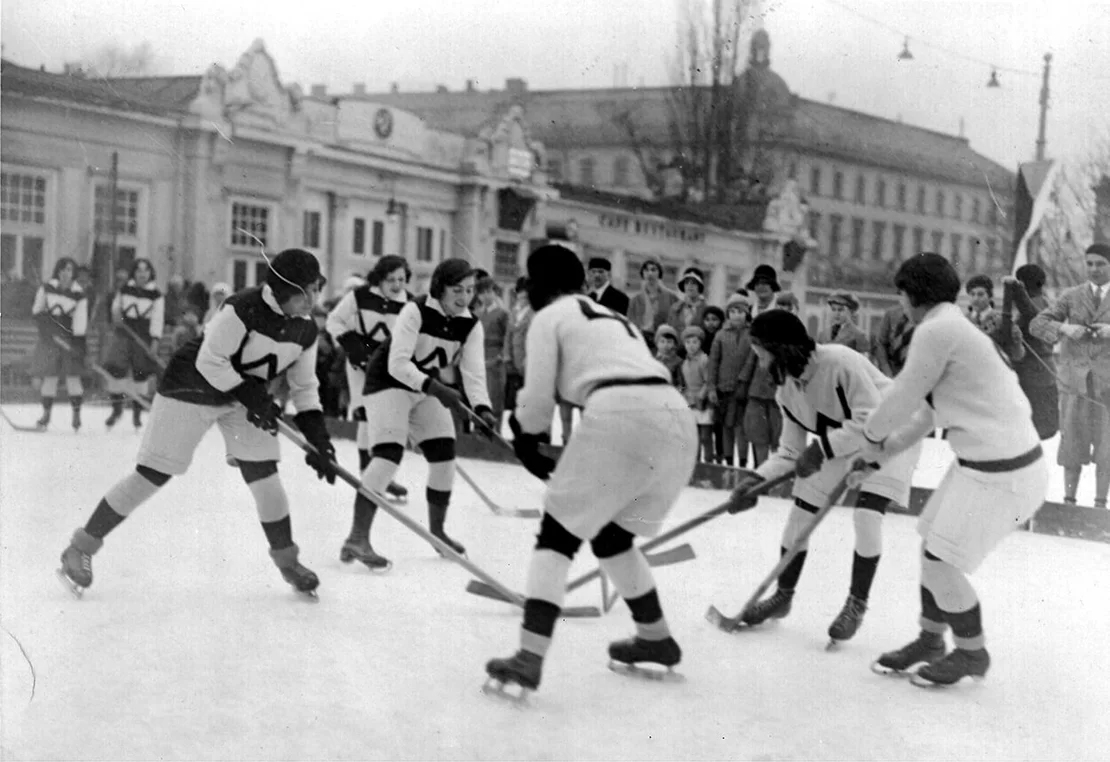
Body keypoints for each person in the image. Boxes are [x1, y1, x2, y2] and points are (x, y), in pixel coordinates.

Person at [56, 249, 338, 598]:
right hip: (192, 385)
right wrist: (254, 398)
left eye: (316, 289)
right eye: (304, 292)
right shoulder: (243, 308)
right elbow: (210, 361)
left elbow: (305, 388)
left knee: (265, 476)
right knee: (152, 475)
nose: (312, 300)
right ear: (282, 291)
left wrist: (320, 440)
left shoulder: (306, 330)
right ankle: (80, 548)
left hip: (243, 397)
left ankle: (288, 561)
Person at [485, 243, 698, 694]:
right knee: (613, 536)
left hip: (621, 412)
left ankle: (529, 655)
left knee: (557, 536)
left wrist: (526, 438)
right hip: (677, 420)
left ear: (541, 284)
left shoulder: (550, 316)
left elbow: (538, 396)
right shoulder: (617, 320)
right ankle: (655, 637)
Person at [860, 253, 1048, 686]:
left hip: (1004, 473)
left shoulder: (937, 330)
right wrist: (880, 451)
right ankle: (930, 640)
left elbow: (903, 395)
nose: (902, 305)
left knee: (941, 561)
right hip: (983, 465)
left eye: (903, 295)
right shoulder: (953, 328)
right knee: (930, 544)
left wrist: (870, 440)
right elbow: (925, 414)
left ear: (914, 295)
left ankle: (971, 653)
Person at [727, 309, 920, 645]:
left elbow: (871, 420)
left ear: (781, 348)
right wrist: (754, 481)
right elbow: (790, 451)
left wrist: (821, 450)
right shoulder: (786, 389)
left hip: (893, 434)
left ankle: (856, 604)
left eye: (761, 354)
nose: (759, 364)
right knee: (800, 514)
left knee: (866, 516)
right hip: (841, 441)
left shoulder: (840, 362)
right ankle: (782, 596)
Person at [355, 258, 497, 569]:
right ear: (439, 288)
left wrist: (483, 409)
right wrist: (436, 388)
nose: (464, 297)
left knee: (445, 456)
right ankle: (358, 537)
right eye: (457, 290)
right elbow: (398, 364)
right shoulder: (415, 310)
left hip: (425, 389)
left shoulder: (470, 324)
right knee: (387, 457)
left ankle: (438, 532)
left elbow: (473, 374)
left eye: (470, 290)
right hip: (387, 383)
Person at [325, 255, 412, 566]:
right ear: (380, 279)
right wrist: (353, 346)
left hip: (389, 366)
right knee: (366, 415)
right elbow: (333, 321)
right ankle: (370, 473)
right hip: (361, 364)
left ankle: (377, 474)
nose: (397, 285)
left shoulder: (409, 304)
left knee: (384, 420)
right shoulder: (360, 297)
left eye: (402, 280)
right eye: (392, 280)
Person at [1030, 243, 1110, 508]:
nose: (1094, 269)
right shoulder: (1072, 296)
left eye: (1101, 264)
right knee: (1072, 444)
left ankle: (1100, 505)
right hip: (1074, 384)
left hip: (1106, 387)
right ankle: (1068, 503)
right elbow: (1036, 324)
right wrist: (1065, 329)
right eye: (1090, 264)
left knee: (1106, 447)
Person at [101, 258, 165, 431]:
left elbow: (158, 319)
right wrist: (116, 315)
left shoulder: (156, 295)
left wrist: (155, 341)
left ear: (150, 273)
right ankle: (116, 410)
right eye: (138, 270)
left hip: (143, 337)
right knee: (115, 371)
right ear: (134, 273)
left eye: (146, 270)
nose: (142, 274)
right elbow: (116, 307)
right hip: (123, 335)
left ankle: (137, 415)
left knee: (140, 374)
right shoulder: (125, 289)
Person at [30, 257, 88, 431]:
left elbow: (80, 321)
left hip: (69, 338)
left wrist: (77, 345)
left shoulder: (79, 294)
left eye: (69, 270)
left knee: (73, 377)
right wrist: (46, 330)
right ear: (58, 271)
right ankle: (46, 415)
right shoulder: (47, 288)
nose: (65, 273)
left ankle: (76, 416)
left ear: (73, 273)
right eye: (62, 269)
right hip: (49, 338)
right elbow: (37, 311)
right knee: (50, 376)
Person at [1003, 265, 1058, 440]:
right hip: (1042, 371)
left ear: (1023, 284)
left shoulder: (1036, 305)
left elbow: (1030, 313)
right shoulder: (1047, 303)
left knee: (1034, 432)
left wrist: (1016, 290)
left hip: (1033, 372)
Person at [707, 293, 754, 466]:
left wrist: (743, 379)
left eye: (741, 312)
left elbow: (752, 358)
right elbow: (713, 362)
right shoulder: (720, 335)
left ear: (746, 313)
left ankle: (742, 461)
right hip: (723, 388)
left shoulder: (751, 334)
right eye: (733, 311)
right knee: (726, 426)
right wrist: (712, 387)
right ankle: (728, 461)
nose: (737, 315)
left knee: (741, 427)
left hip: (743, 389)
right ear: (728, 314)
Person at [965, 274, 1024, 365]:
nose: (975, 299)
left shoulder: (1001, 321)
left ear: (990, 296)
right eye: (972, 294)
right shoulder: (964, 320)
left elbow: (1017, 356)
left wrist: (1017, 343)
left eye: (980, 294)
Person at [475, 275, 511, 427]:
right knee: (480, 397)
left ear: (495, 292)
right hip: (480, 358)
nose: (486, 295)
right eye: (482, 293)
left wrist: (501, 356)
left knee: (495, 398)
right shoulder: (479, 315)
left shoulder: (503, 313)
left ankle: (496, 433)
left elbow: (507, 338)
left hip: (495, 360)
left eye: (489, 291)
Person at [677, 326, 714, 461]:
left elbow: (708, 380)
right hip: (690, 401)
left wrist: (702, 395)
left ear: (700, 343)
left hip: (703, 401)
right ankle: (696, 462)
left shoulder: (704, 360)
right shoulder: (684, 363)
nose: (691, 346)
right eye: (688, 342)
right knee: (694, 436)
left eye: (695, 342)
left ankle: (709, 461)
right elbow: (684, 383)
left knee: (705, 436)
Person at [627, 258, 679, 353]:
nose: (649, 273)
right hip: (641, 341)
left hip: (663, 342)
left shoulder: (671, 297)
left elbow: (676, 321)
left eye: (653, 269)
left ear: (659, 273)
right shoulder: (635, 300)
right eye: (646, 270)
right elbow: (630, 324)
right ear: (642, 273)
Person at [505, 276, 533, 416]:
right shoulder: (513, 311)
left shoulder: (534, 312)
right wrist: (507, 356)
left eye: (525, 295)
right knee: (514, 399)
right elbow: (508, 336)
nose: (522, 298)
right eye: (520, 294)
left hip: (528, 362)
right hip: (513, 362)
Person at [818, 291, 872, 359]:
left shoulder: (859, 335)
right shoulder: (823, 334)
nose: (836, 313)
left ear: (851, 312)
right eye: (833, 309)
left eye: (841, 310)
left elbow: (864, 363)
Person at [873, 302, 914, 378]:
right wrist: (887, 372)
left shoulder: (932, 315)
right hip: (893, 372)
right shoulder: (891, 314)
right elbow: (880, 344)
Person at [667, 266, 709, 333]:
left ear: (700, 286)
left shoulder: (707, 310)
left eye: (694, 283)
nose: (690, 285)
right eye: (686, 283)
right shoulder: (675, 308)